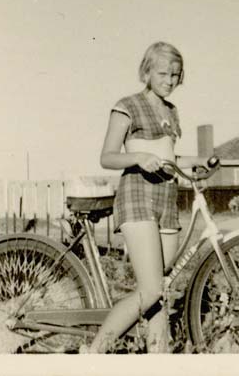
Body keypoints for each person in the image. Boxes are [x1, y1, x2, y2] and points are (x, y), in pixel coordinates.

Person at [87, 41, 193, 353]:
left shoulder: (172, 112)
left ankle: (156, 360)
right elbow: (107, 157)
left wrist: (201, 161)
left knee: (161, 290)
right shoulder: (128, 105)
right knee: (149, 290)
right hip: (137, 197)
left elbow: (170, 157)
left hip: (167, 201)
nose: (170, 80)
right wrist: (138, 158)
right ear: (146, 72)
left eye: (175, 74)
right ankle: (93, 355)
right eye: (162, 73)